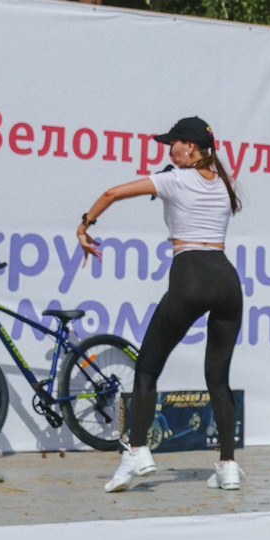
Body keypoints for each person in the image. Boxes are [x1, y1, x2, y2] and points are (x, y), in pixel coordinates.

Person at [81, 116, 245, 494]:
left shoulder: (173, 178)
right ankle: (228, 465)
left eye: (172, 144)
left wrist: (85, 224)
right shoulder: (223, 182)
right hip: (227, 280)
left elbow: (111, 194)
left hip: (190, 276)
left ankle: (137, 450)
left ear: (190, 148)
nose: (167, 150)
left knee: (147, 368)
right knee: (218, 379)